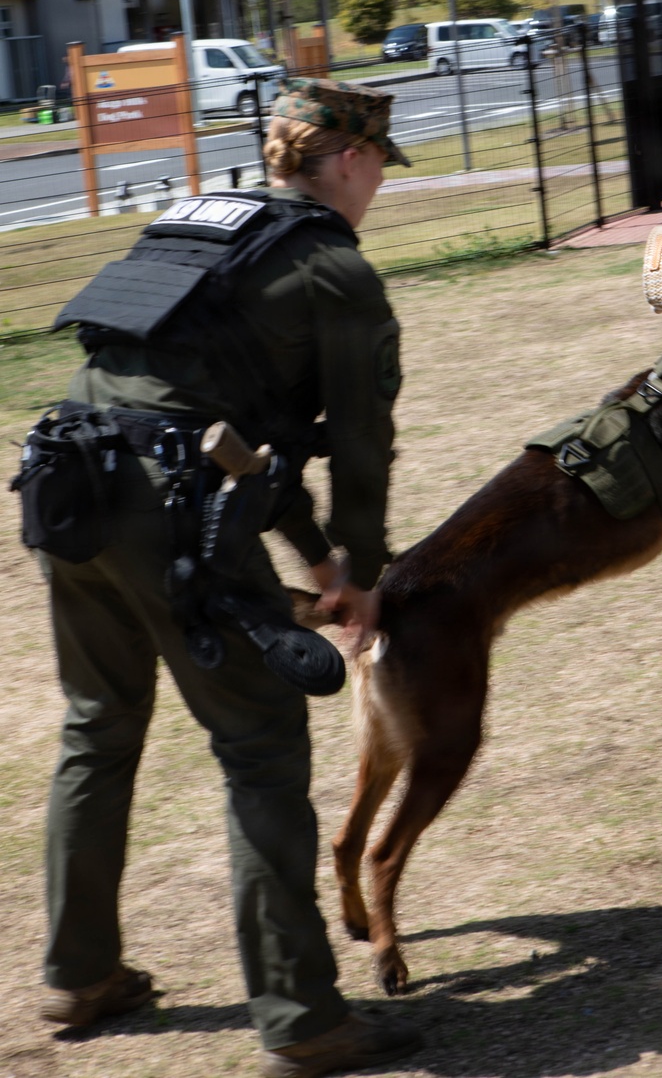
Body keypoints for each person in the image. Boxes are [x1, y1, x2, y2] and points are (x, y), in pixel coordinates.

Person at [34, 78, 423, 1077]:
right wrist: (363, 574)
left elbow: (240, 422)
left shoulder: (200, 226)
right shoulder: (335, 271)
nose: (378, 182)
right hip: (166, 508)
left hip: (69, 477)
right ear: (349, 159)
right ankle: (303, 1017)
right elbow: (359, 449)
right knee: (258, 743)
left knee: (98, 726)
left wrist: (313, 556)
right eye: (379, 162)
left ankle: (79, 975)